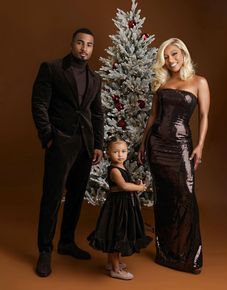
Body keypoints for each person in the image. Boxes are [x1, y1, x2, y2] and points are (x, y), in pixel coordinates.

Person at [32, 28, 104, 277]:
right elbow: (39, 103)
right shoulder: (52, 69)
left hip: (85, 145)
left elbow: (97, 113)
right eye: (80, 43)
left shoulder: (95, 79)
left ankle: (66, 242)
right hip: (60, 143)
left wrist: (98, 144)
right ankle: (44, 250)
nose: (85, 48)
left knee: (76, 196)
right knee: (52, 197)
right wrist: (48, 136)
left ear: (93, 48)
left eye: (90, 45)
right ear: (72, 44)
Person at [138, 38, 210, 274]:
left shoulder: (199, 82)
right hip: (157, 144)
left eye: (175, 54)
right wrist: (142, 144)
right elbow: (152, 117)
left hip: (181, 146)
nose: (171, 60)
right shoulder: (162, 83)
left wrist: (199, 145)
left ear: (184, 54)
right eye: (166, 57)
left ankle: (189, 258)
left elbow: (204, 116)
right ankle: (166, 254)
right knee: (164, 198)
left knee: (185, 195)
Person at [87, 136, 152, 280]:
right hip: (117, 208)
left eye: (123, 151)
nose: (120, 154)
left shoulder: (122, 167)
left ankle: (112, 263)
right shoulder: (114, 170)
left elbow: (124, 183)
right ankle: (116, 270)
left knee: (116, 233)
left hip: (123, 205)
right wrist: (139, 187)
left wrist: (133, 182)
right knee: (117, 234)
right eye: (116, 152)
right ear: (108, 154)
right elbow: (123, 186)